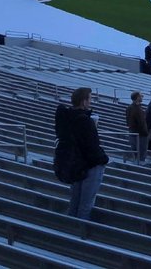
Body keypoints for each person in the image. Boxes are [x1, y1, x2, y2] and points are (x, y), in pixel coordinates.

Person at [57, 87, 109, 220]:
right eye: (90, 98)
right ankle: (79, 234)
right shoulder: (85, 121)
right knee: (86, 204)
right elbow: (92, 146)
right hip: (89, 165)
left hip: (74, 163)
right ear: (84, 101)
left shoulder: (66, 117)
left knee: (75, 201)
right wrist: (104, 159)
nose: (91, 101)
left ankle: (70, 230)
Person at [125, 91, 149, 164]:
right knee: (141, 152)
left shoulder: (129, 107)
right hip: (140, 134)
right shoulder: (138, 110)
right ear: (137, 98)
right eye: (141, 96)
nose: (142, 97)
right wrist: (146, 133)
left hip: (132, 132)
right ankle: (139, 165)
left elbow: (128, 121)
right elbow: (141, 123)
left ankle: (136, 163)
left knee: (135, 151)